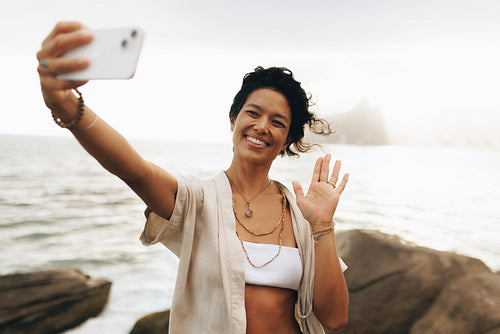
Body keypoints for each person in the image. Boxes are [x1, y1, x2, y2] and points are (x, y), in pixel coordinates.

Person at [37, 21, 349, 334]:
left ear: (286, 140)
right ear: (233, 120)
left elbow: (334, 318)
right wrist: (65, 104)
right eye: (253, 113)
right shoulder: (196, 200)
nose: (262, 126)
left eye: (277, 122)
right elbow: (134, 170)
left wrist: (323, 226)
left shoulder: (302, 216)